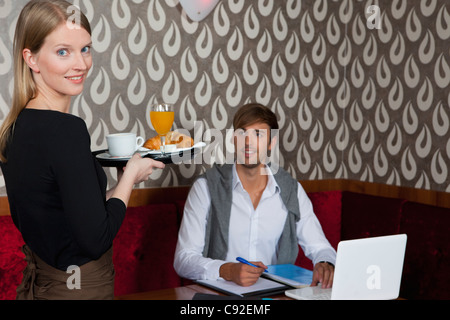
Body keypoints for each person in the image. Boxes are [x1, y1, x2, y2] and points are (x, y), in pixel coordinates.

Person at [0, 0, 165, 300]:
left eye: (85, 49)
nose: (81, 64)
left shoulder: (13, 130)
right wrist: (130, 178)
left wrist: (121, 184)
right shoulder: (66, 131)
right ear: (32, 59)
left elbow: (63, 214)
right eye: (63, 52)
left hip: (43, 285)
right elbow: (96, 238)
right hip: (79, 289)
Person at [174, 103, 336, 288]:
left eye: (258, 134)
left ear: (271, 142)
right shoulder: (205, 188)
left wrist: (325, 263)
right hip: (219, 296)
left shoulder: (292, 190)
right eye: (242, 133)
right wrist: (227, 270)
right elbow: (183, 259)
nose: (248, 143)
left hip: (275, 295)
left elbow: (321, 247)